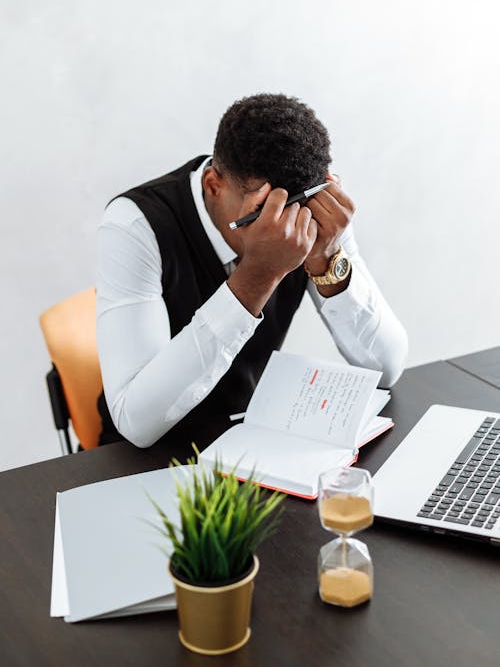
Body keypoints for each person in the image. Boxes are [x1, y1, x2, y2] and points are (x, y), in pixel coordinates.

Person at [96, 93, 408, 447]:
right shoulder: (133, 225)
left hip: (247, 438)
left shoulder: (310, 212)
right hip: (143, 460)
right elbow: (136, 422)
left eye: (297, 210)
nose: (285, 231)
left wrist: (328, 258)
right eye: (263, 213)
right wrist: (257, 276)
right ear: (214, 184)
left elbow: (387, 366)